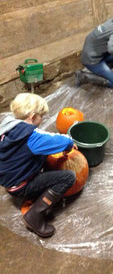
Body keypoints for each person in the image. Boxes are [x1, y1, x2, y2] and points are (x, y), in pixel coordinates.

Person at [0, 93, 77, 238]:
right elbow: (61, 142)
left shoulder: (8, 126)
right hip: (21, 186)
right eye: (42, 116)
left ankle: (30, 193)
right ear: (33, 116)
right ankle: (34, 215)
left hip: (9, 180)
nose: (42, 119)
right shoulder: (31, 138)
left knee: (43, 152)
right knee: (68, 177)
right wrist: (70, 143)